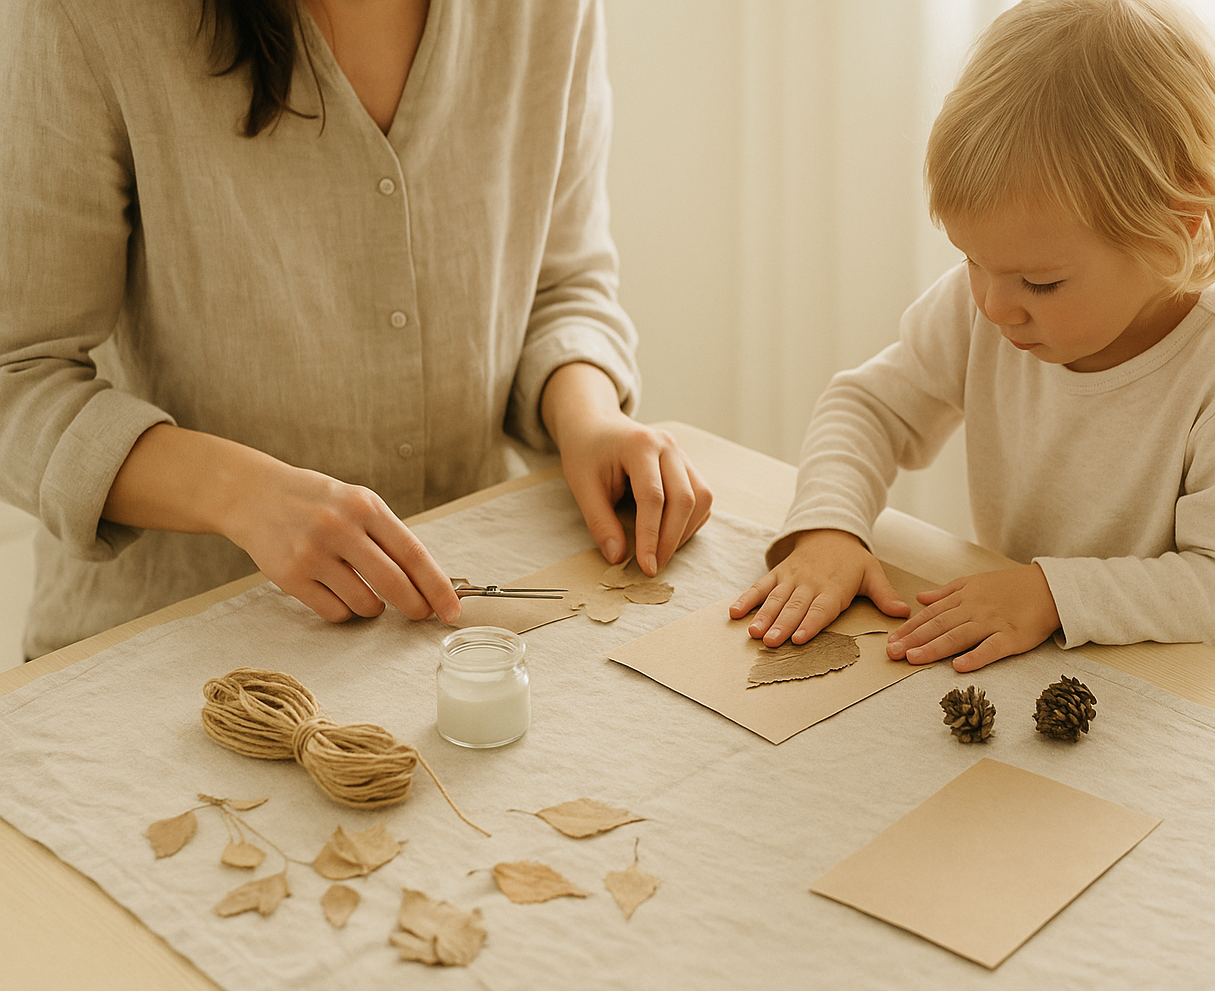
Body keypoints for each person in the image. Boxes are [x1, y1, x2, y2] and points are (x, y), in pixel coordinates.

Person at [0, 0, 711, 660]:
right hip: (163, 655)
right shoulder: (89, 17)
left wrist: (586, 418)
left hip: (458, 636)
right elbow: (15, 374)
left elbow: (560, 283)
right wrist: (237, 493)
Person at [730, 0, 1215, 679]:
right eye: (973, 260)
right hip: (1052, 677)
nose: (996, 306)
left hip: (1208, 714)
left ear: (1175, 228)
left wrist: (1050, 594)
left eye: (1042, 282)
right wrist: (828, 525)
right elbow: (869, 408)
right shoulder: (985, 309)